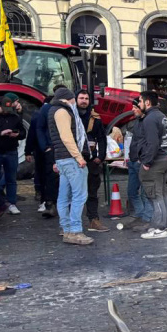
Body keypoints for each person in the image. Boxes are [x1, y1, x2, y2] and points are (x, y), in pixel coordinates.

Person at [48, 88, 92, 245]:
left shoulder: (54, 110)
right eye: (73, 99)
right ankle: (74, 231)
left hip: (62, 159)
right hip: (70, 159)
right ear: (68, 99)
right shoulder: (62, 112)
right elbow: (66, 137)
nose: (75, 102)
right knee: (79, 196)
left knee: (63, 196)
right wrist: (79, 157)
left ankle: (66, 229)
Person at [138, 91, 167, 239]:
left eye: (140, 101)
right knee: (161, 194)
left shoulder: (150, 119)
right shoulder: (162, 116)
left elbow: (153, 143)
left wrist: (147, 162)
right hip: (163, 158)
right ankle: (166, 224)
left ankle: (159, 228)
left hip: (155, 161)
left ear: (147, 102)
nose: (139, 104)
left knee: (155, 195)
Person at [76, 90, 109, 233]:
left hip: (91, 160)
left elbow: (102, 138)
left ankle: (93, 220)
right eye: (81, 98)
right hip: (75, 159)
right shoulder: (71, 116)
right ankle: (72, 225)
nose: (83, 101)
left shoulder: (95, 117)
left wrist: (100, 157)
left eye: (86, 98)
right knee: (73, 193)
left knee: (92, 192)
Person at [0, 94, 25, 217]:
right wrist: (1, 133)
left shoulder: (14, 117)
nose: (6, 112)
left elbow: (23, 132)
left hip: (11, 151)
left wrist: (17, 134)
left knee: (11, 179)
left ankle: (12, 203)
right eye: (4, 109)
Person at [36, 85, 67, 218]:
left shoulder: (69, 108)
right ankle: (50, 203)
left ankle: (65, 204)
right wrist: (45, 147)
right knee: (51, 176)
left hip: (66, 146)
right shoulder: (47, 109)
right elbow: (39, 127)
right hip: (52, 147)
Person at [126, 99, 153, 232]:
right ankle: (140, 214)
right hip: (132, 161)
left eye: (135, 107)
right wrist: (129, 157)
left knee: (145, 193)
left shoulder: (148, 122)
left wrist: (144, 160)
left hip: (141, 162)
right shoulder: (136, 122)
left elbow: (150, 143)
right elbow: (133, 141)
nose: (133, 109)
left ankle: (147, 219)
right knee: (131, 192)